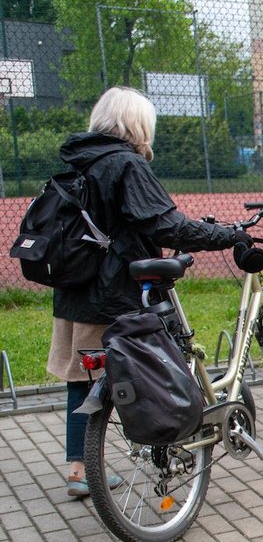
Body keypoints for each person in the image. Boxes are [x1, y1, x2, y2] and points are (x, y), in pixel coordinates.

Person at [48, 86, 251, 499]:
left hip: (74, 290)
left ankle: (80, 467)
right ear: (137, 124)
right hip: (115, 293)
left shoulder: (78, 161)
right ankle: (161, 447)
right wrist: (226, 235)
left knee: (82, 379)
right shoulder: (125, 164)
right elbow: (167, 225)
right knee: (149, 368)